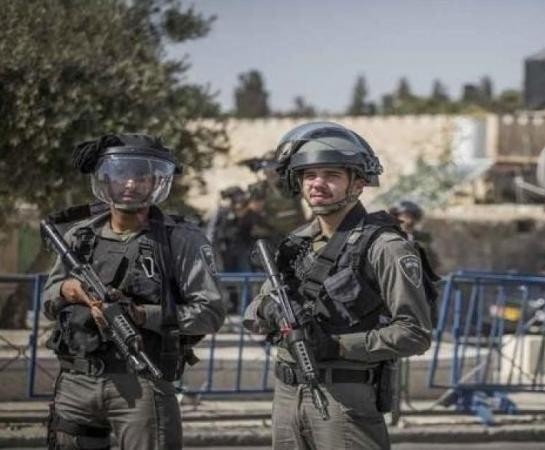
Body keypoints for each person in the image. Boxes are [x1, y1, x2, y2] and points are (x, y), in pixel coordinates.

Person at [242, 122, 436, 449]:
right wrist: (269, 310)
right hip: (287, 395)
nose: (317, 184)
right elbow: (252, 314)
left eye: (331, 175)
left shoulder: (385, 247)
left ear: (358, 184)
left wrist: (337, 346)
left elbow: (414, 332)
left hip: (344, 399)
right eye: (309, 175)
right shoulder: (296, 244)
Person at [42, 133, 226, 450]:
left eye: (140, 177)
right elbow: (48, 300)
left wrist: (141, 315)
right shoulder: (80, 236)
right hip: (76, 381)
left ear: (156, 182)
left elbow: (210, 314)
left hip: (142, 381)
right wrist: (70, 290)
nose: (130, 184)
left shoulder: (180, 240)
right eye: (121, 175)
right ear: (106, 180)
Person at [388, 200, 441, 273]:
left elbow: (433, 261)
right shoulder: (389, 237)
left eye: (411, 217)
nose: (408, 220)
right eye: (405, 216)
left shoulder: (423, 238)